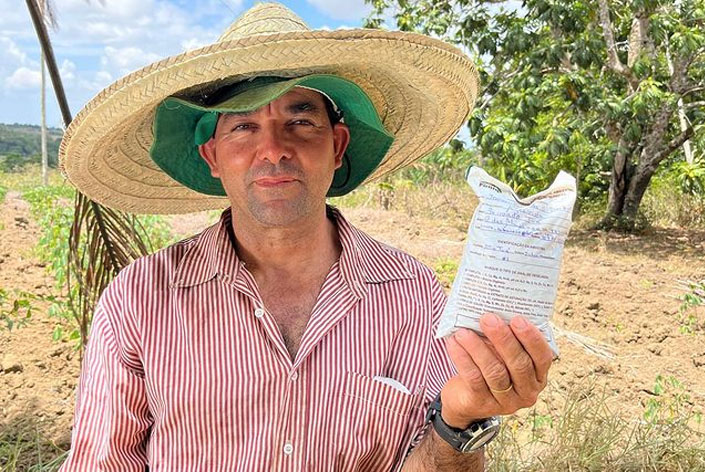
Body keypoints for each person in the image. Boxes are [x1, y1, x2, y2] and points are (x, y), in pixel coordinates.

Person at [57, 3, 554, 471]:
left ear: (337, 146)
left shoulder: (413, 296)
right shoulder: (141, 299)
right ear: (212, 158)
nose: (273, 150)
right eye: (243, 127)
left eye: (300, 121)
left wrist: (459, 420)